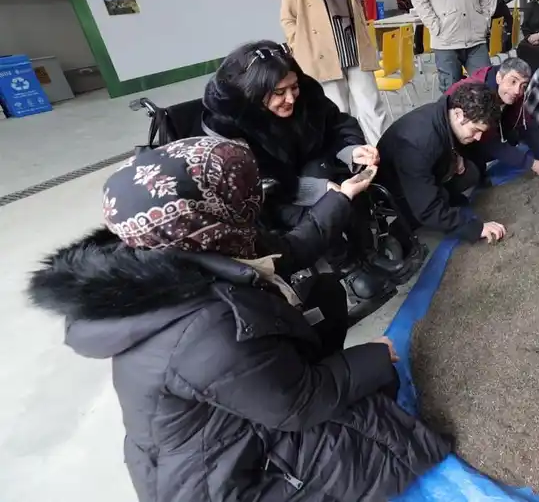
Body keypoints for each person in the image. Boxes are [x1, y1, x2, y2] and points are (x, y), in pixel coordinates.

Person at [26, 137, 451, 502]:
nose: (256, 200)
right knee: (387, 443)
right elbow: (298, 404)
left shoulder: (169, 246)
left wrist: (340, 198)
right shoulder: (206, 326)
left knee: (326, 304)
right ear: (216, 211)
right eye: (247, 195)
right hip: (222, 480)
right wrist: (374, 356)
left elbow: (290, 248)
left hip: (224, 423)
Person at [202, 41, 394, 298]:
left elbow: (337, 125)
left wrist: (351, 150)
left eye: (294, 88)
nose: (291, 98)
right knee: (326, 201)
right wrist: (319, 190)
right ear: (254, 92)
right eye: (279, 92)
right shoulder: (226, 126)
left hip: (315, 170)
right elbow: (255, 184)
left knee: (349, 181)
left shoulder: (308, 95)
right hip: (272, 198)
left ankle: (366, 252)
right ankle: (346, 266)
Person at [280, 0, 387, 142]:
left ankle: (385, 153)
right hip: (322, 57)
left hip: (353, 50)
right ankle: (351, 160)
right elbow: (287, 18)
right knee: (338, 113)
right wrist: (300, 46)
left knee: (372, 108)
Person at [377, 82, 508, 243]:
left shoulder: (446, 112)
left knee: (470, 172)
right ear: (459, 114)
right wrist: (475, 228)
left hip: (426, 168)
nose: (478, 138)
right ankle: (396, 233)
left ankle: (446, 201)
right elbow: (427, 209)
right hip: (395, 188)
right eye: (475, 131)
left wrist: (456, 154)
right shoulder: (419, 142)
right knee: (434, 204)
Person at [445, 56, 539, 179]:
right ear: (499, 77)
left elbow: (526, 123)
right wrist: (532, 164)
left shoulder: (514, 93)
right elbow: (491, 143)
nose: (517, 91)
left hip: (478, 135)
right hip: (452, 143)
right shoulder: (480, 94)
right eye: (513, 81)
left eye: (523, 85)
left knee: (512, 137)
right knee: (473, 175)